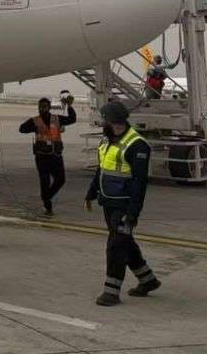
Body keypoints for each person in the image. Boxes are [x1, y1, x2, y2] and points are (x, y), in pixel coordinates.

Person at [85, 101, 160, 306]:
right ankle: (148, 280)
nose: (107, 124)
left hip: (124, 206)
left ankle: (111, 292)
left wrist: (133, 213)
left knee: (116, 246)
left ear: (115, 120)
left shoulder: (137, 145)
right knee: (125, 242)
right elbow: (102, 168)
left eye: (107, 120)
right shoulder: (107, 140)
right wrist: (91, 192)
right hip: (108, 201)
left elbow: (139, 183)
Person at [18, 95, 77, 215]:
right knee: (44, 181)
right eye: (40, 107)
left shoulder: (56, 118)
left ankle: (46, 197)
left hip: (55, 155)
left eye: (44, 106)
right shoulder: (35, 120)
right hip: (42, 156)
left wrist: (70, 106)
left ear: (49, 107)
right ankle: (47, 206)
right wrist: (34, 128)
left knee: (60, 180)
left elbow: (72, 119)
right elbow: (22, 129)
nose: (42, 109)